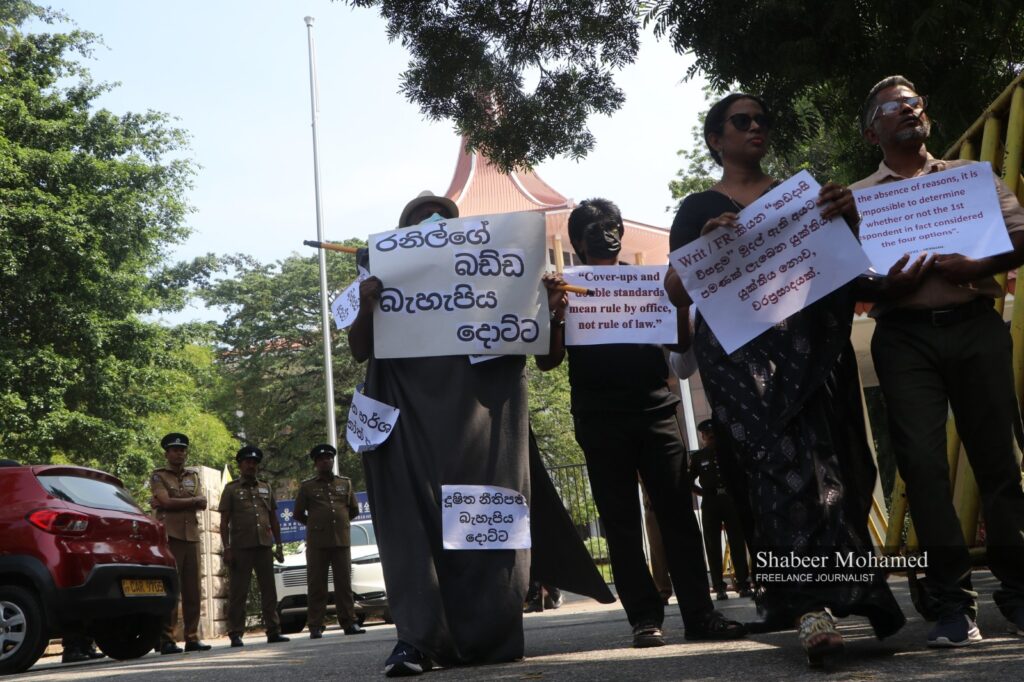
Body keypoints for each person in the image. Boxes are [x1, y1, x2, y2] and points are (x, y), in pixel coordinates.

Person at [664, 93, 905, 666]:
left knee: (829, 471)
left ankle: (837, 594)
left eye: (762, 120)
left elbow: (846, 265)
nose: (756, 127)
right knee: (776, 473)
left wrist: (849, 218)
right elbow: (675, 293)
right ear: (716, 139)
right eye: (741, 120)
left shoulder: (799, 194)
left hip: (809, 354)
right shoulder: (697, 208)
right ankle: (808, 610)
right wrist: (704, 246)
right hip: (739, 365)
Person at [349, 192, 613, 677]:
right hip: (408, 424)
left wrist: (549, 309)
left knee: (483, 524)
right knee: (411, 532)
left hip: (480, 422)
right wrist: (367, 306)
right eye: (420, 222)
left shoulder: (495, 276)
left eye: (443, 220)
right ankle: (417, 640)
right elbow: (359, 349)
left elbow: (546, 358)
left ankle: (491, 635)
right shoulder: (381, 277)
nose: (433, 226)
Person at [851, 75, 1024, 646]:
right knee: (923, 468)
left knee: (999, 461)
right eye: (891, 107)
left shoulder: (971, 178)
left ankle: (1019, 592)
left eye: (914, 102)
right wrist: (884, 284)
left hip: (975, 325)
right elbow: (846, 278)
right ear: (872, 133)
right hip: (904, 338)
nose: (908, 110)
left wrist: (976, 266)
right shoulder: (857, 198)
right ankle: (953, 605)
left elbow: (1022, 237)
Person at [537, 198, 745, 648]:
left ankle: (700, 614)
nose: (607, 235)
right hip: (599, 419)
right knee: (621, 523)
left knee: (678, 515)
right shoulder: (564, 289)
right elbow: (547, 361)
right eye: (596, 229)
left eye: (613, 226)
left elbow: (680, 342)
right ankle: (644, 619)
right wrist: (554, 311)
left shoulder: (650, 281)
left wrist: (677, 299)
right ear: (577, 242)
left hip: (656, 412)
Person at [218, 445, 289, 647]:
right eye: (247, 462)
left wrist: (279, 545)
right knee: (238, 592)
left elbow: (273, 518)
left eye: (254, 463)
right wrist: (227, 548)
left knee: (269, 591)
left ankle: (273, 630)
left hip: (264, 546)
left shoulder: (266, 487)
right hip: (240, 547)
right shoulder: (231, 489)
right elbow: (224, 521)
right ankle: (235, 633)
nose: (251, 466)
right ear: (240, 465)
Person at [293, 443, 366, 638]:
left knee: (344, 584)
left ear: (333, 461)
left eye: (329, 458)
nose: (326, 461)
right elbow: (298, 513)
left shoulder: (345, 483)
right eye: (321, 459)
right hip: (317, 543)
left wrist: (339, 525)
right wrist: (315, 525)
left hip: (341, 540)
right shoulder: (308, 486)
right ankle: (315, 625)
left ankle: (349, 622)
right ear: (316, 463)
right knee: (317, 585)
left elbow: (353, 510)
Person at [150, 433, 212, 654]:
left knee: (193, 590)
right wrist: (191, 500)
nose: (179, 454)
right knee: (171, 589)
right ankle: (167, 639)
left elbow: (203, 502)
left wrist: (177, 502)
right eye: (175, 450)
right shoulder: (158, 476)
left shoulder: (193, 476)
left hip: (191, 536)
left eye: (182, 450)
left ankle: (192, 637)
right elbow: (166, 502)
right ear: (167, 454)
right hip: (171, 536)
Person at [688, 420, 753, 601]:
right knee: (713, 545)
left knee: (737, 542)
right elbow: (688, 480)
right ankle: (719, 586)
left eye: (712, 433)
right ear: (702, 437)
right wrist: (703, 493)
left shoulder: (729, 452)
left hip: (730, 500)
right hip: (711, 502)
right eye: (707, 434)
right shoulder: (698, 457)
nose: (710, 436)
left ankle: (743, 583)